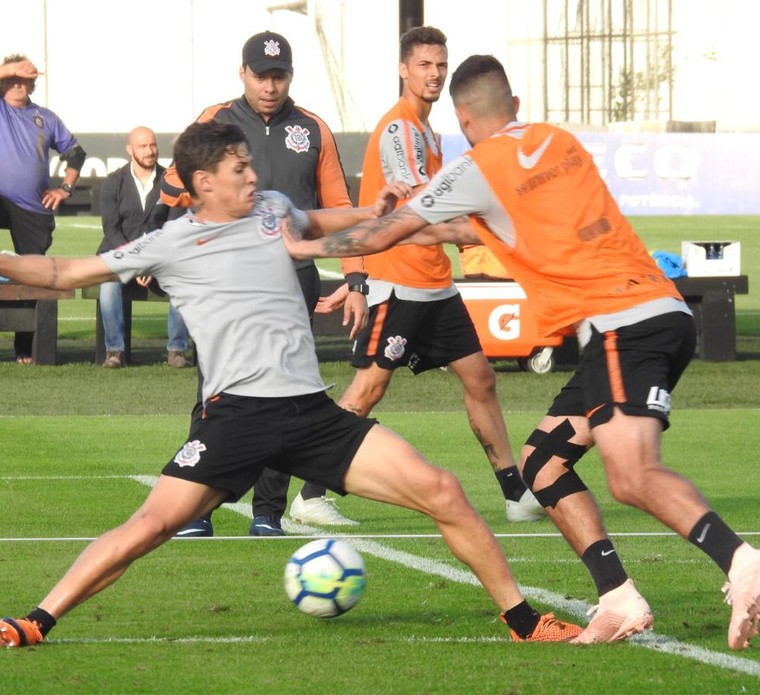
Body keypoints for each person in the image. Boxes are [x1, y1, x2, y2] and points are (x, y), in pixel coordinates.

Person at [0, 119, 580, 648]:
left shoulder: (270, 208)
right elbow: (65, 272)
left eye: (250, 164)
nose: (253, 175)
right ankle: (37, 619)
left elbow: (314, 223)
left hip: (311, 412)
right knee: (151, 525)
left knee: (441, 488)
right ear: (204, 182)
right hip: (235, 418)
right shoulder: (172, 242)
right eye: (239, 168)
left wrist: (374, 209)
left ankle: (526, 622)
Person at [281, 55, 760, 649]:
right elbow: (458, 228)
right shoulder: (556, 142)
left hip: (624, 325)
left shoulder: (478, 167)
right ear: (513, 102)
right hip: (656, 314)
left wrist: (304, 245)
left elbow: (393, 231)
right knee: (542, 463)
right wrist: (383, 218)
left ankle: (743, 564)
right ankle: (618, 596)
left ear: (461, 115)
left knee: (632, 475)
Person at [319, 26, 544, 524]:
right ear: (403, 69)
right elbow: (416, 214)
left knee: (481, 378)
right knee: (367, 391)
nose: (434, 73)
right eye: (424, 64)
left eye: (440, 65)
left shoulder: (426, 131)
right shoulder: (400, 130)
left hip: (434, 284)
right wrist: (485, 230)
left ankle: (514, 494)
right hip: (398, 282)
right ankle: (311, 492)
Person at [159, 30, 363, 536]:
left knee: (289, 394)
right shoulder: (215, 120)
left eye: (279, 75)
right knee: (216, 391)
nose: (270, 85)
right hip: (226, 281)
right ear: (243, 74)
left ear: (290, 77)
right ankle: (196, 509)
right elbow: (172, 189)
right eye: (261, 75)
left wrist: (357, 278)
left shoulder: (312, 128)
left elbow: (339, 209)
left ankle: (267, 513)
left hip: (293, 280)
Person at [0, 54, 87, 364]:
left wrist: (65, 188)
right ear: (2, 81)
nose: (19, 83)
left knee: (32, 274)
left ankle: (25, 347)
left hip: (33, 209)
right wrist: (11, 68)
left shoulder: (46, 117)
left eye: (25, 78)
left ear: (33, 83)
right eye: (13, 78)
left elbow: (75, 154)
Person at [98, 126, 189, 369]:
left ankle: (177, 351)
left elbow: (174, 227)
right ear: (130, 150)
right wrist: (134, 260)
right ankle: (115, 351)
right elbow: (111, 228)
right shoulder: (113, 183)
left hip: (161, 258)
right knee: (108, 285)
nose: (150, 151)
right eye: (143, 146)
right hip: (120, 255)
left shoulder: (173, 182)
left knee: (184, 282)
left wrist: (151, 260)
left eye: (153, 145)